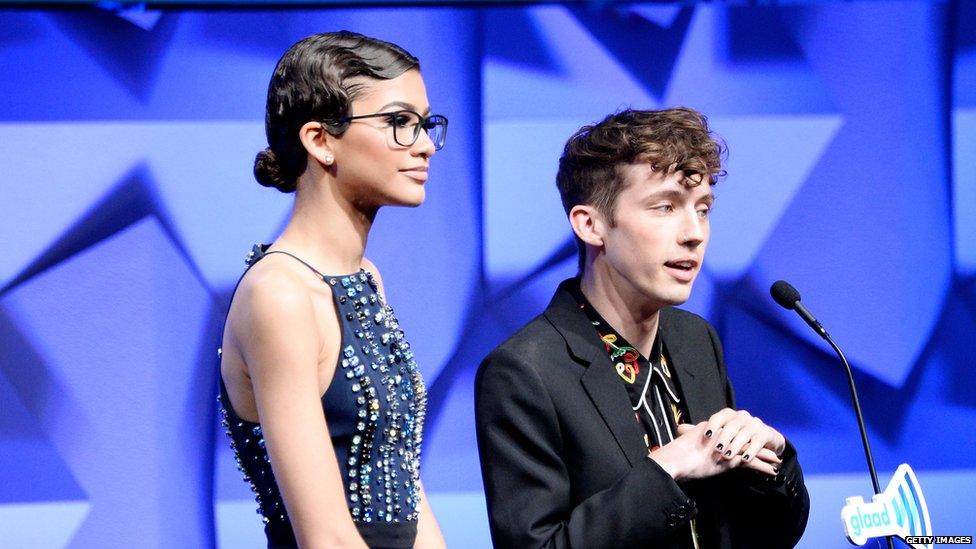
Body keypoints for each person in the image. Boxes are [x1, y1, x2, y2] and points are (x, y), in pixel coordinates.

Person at [475, 108, 809, 548]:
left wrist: (771, 459)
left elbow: (760, 535)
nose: (694, 233)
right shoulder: (523, 372)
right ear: (590, 224)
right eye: (665, 206)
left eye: (703, 209)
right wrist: (667, 470)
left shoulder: (695, 340)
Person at [218, 31, 448, 549]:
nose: (426, 144)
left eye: (425, 123)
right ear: (320, 140)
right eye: (399, 123)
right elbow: (326, 537)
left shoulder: (365, 277)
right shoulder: (279, 295)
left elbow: (405, 483)